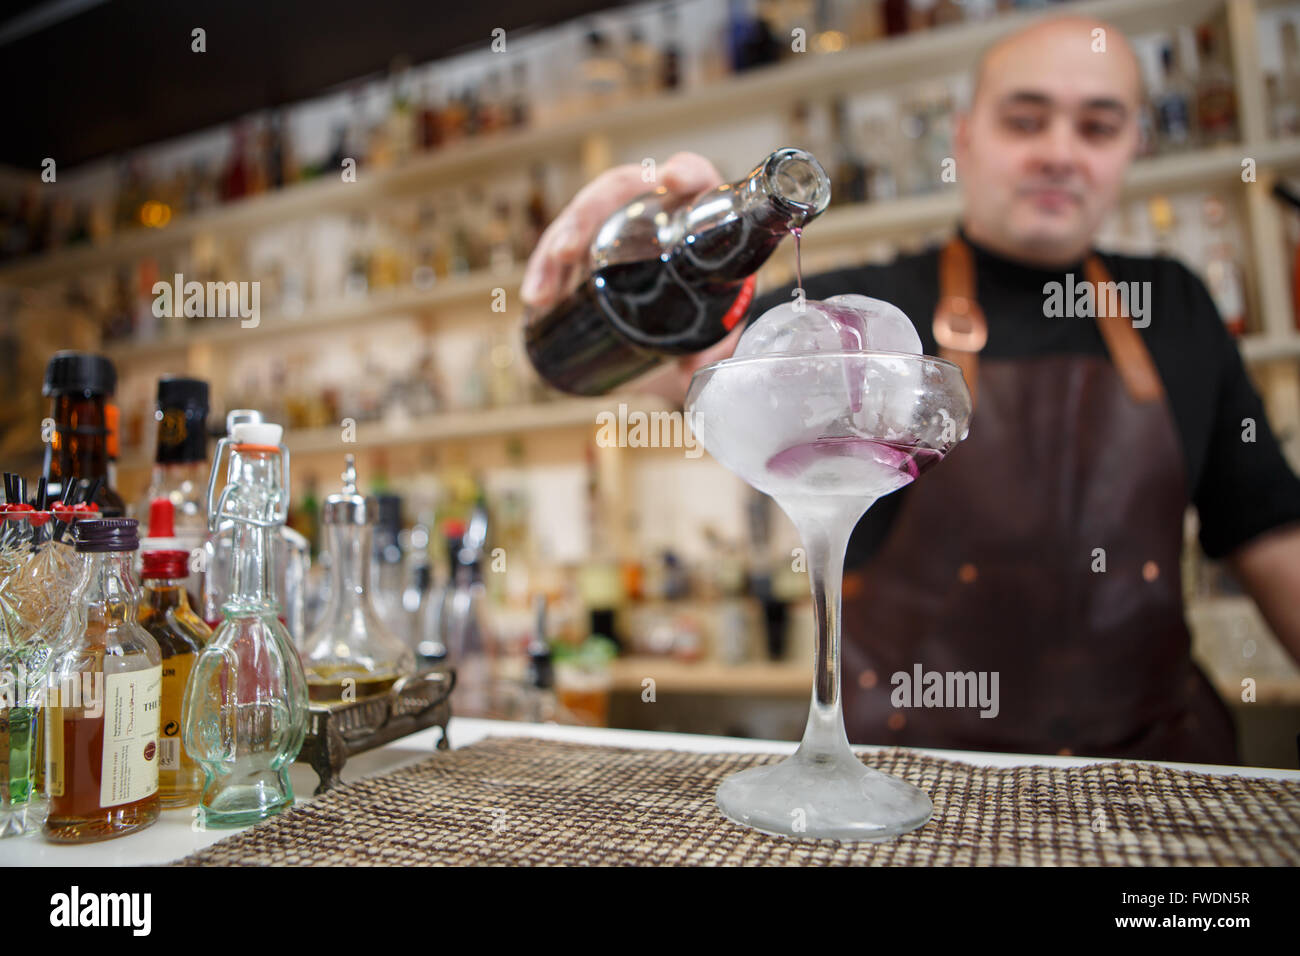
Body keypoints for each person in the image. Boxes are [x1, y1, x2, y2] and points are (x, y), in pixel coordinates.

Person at [521, 16, 1300, 765]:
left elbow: (1272, 536)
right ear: (965, 137)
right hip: (916, 786)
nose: (1061, 152)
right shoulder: (857, 314)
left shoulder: (1177, 305)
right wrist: (594, 287)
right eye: (1026, 121)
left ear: (1135, 141)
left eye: (1097, 127)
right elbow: (689, 363)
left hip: (1156, 785)